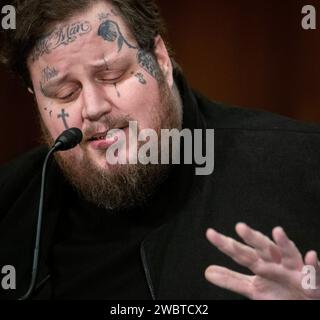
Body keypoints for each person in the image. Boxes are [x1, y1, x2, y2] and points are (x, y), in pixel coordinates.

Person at [0, 0, 319, 300]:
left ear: (161, 59)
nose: (93, 108)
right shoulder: (9, 203)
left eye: (112, 75)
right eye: (65, 93)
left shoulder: (303, 164)